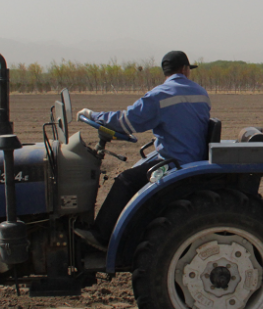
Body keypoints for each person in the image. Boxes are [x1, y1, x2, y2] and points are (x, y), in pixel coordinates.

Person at [75, 50, 211, 250]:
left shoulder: (159, 95)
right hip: (192, 157)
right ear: (185, 70)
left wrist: (94, 116)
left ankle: (102, 236)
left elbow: (126, 121)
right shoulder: (201, 93)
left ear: (166, 71)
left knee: (125, 181)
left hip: (176, 163)